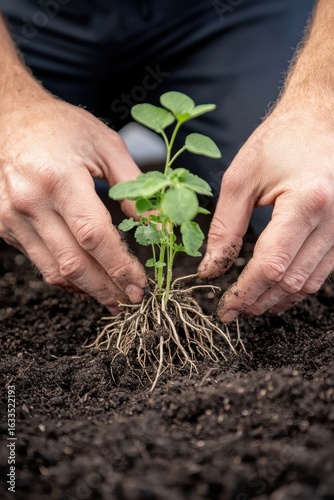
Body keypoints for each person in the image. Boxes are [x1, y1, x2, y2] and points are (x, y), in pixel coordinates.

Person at [2, 0, 331, 324]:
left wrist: (321, 102)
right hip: (30, 21)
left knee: (297, 211)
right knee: (34, 195)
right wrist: (11, 110)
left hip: (230, 15)